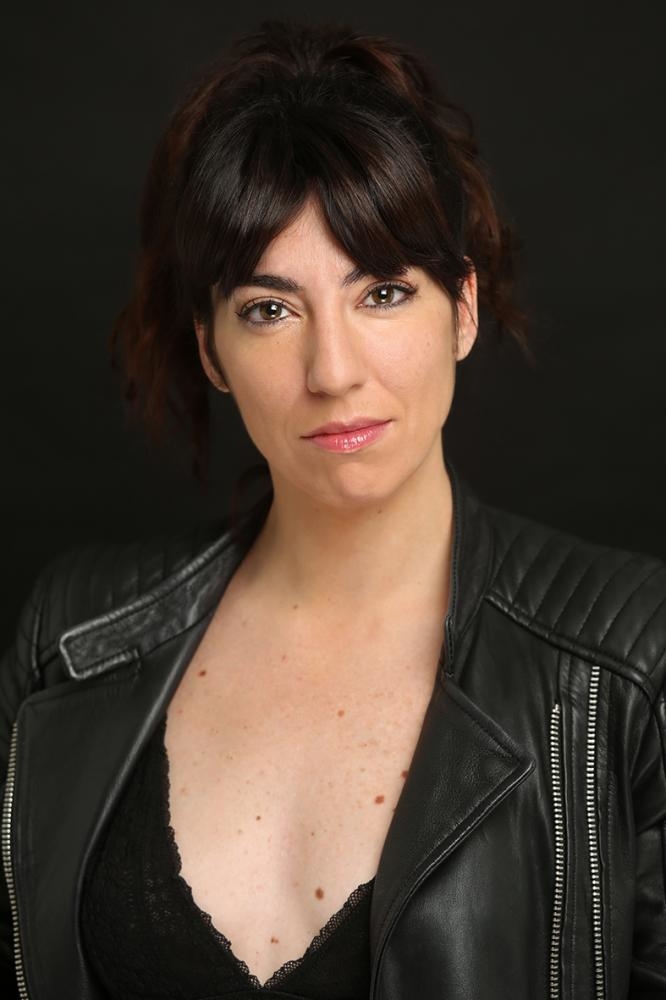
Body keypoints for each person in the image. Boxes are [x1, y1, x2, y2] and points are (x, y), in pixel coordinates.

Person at [1, 17, 664, 1000]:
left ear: (463, 308)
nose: (334, 371)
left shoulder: (630, 662)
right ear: (212, 349)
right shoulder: (72, 642)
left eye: (383, 292)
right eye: (270, 309)